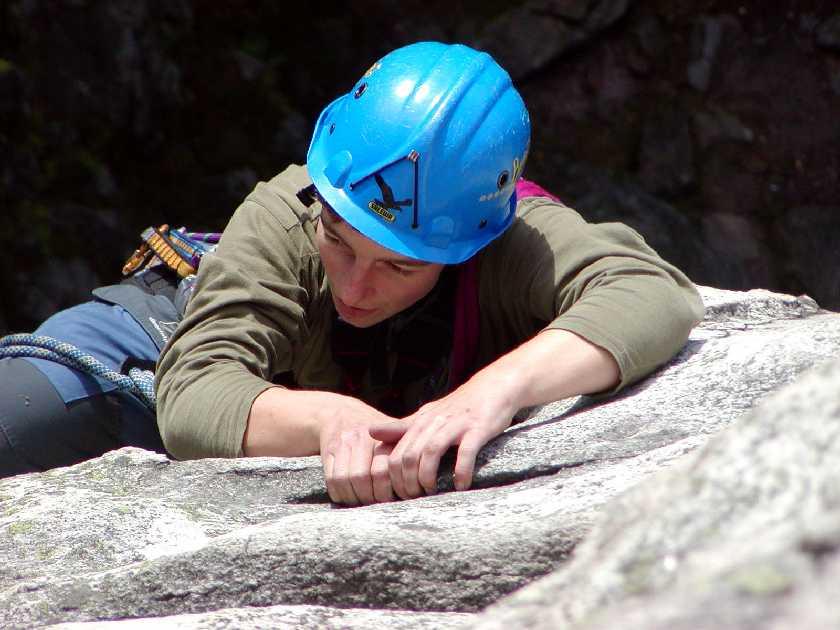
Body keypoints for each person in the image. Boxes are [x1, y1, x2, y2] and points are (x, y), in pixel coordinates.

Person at [154, 41, 705, 506]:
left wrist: (495, 391)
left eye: (401, 265)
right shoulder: (287, 216)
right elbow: (193, 390)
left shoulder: (509, 240)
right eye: (338, 241)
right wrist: (330, 420)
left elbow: (650, 292)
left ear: (468, 243)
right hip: (174, 321)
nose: (354, 288)